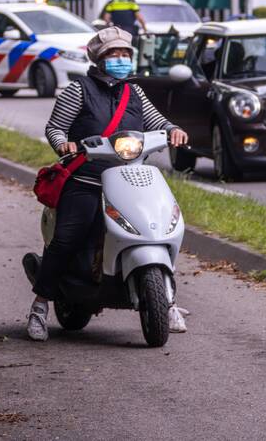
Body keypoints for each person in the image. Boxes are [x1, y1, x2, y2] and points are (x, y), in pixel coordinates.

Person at [26, 26, 188, 342]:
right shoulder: (78, 90)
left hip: (130, 178)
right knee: (67, 239)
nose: (120, 59)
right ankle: (40, 307)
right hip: (87, 179)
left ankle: (167, 301)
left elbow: (157, 122)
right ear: (99, 58)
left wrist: (174, 130)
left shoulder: (134, 92)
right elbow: (56, 128)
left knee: (159, 225)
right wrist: (64, 145)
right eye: (113, 54)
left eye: (125, 54)